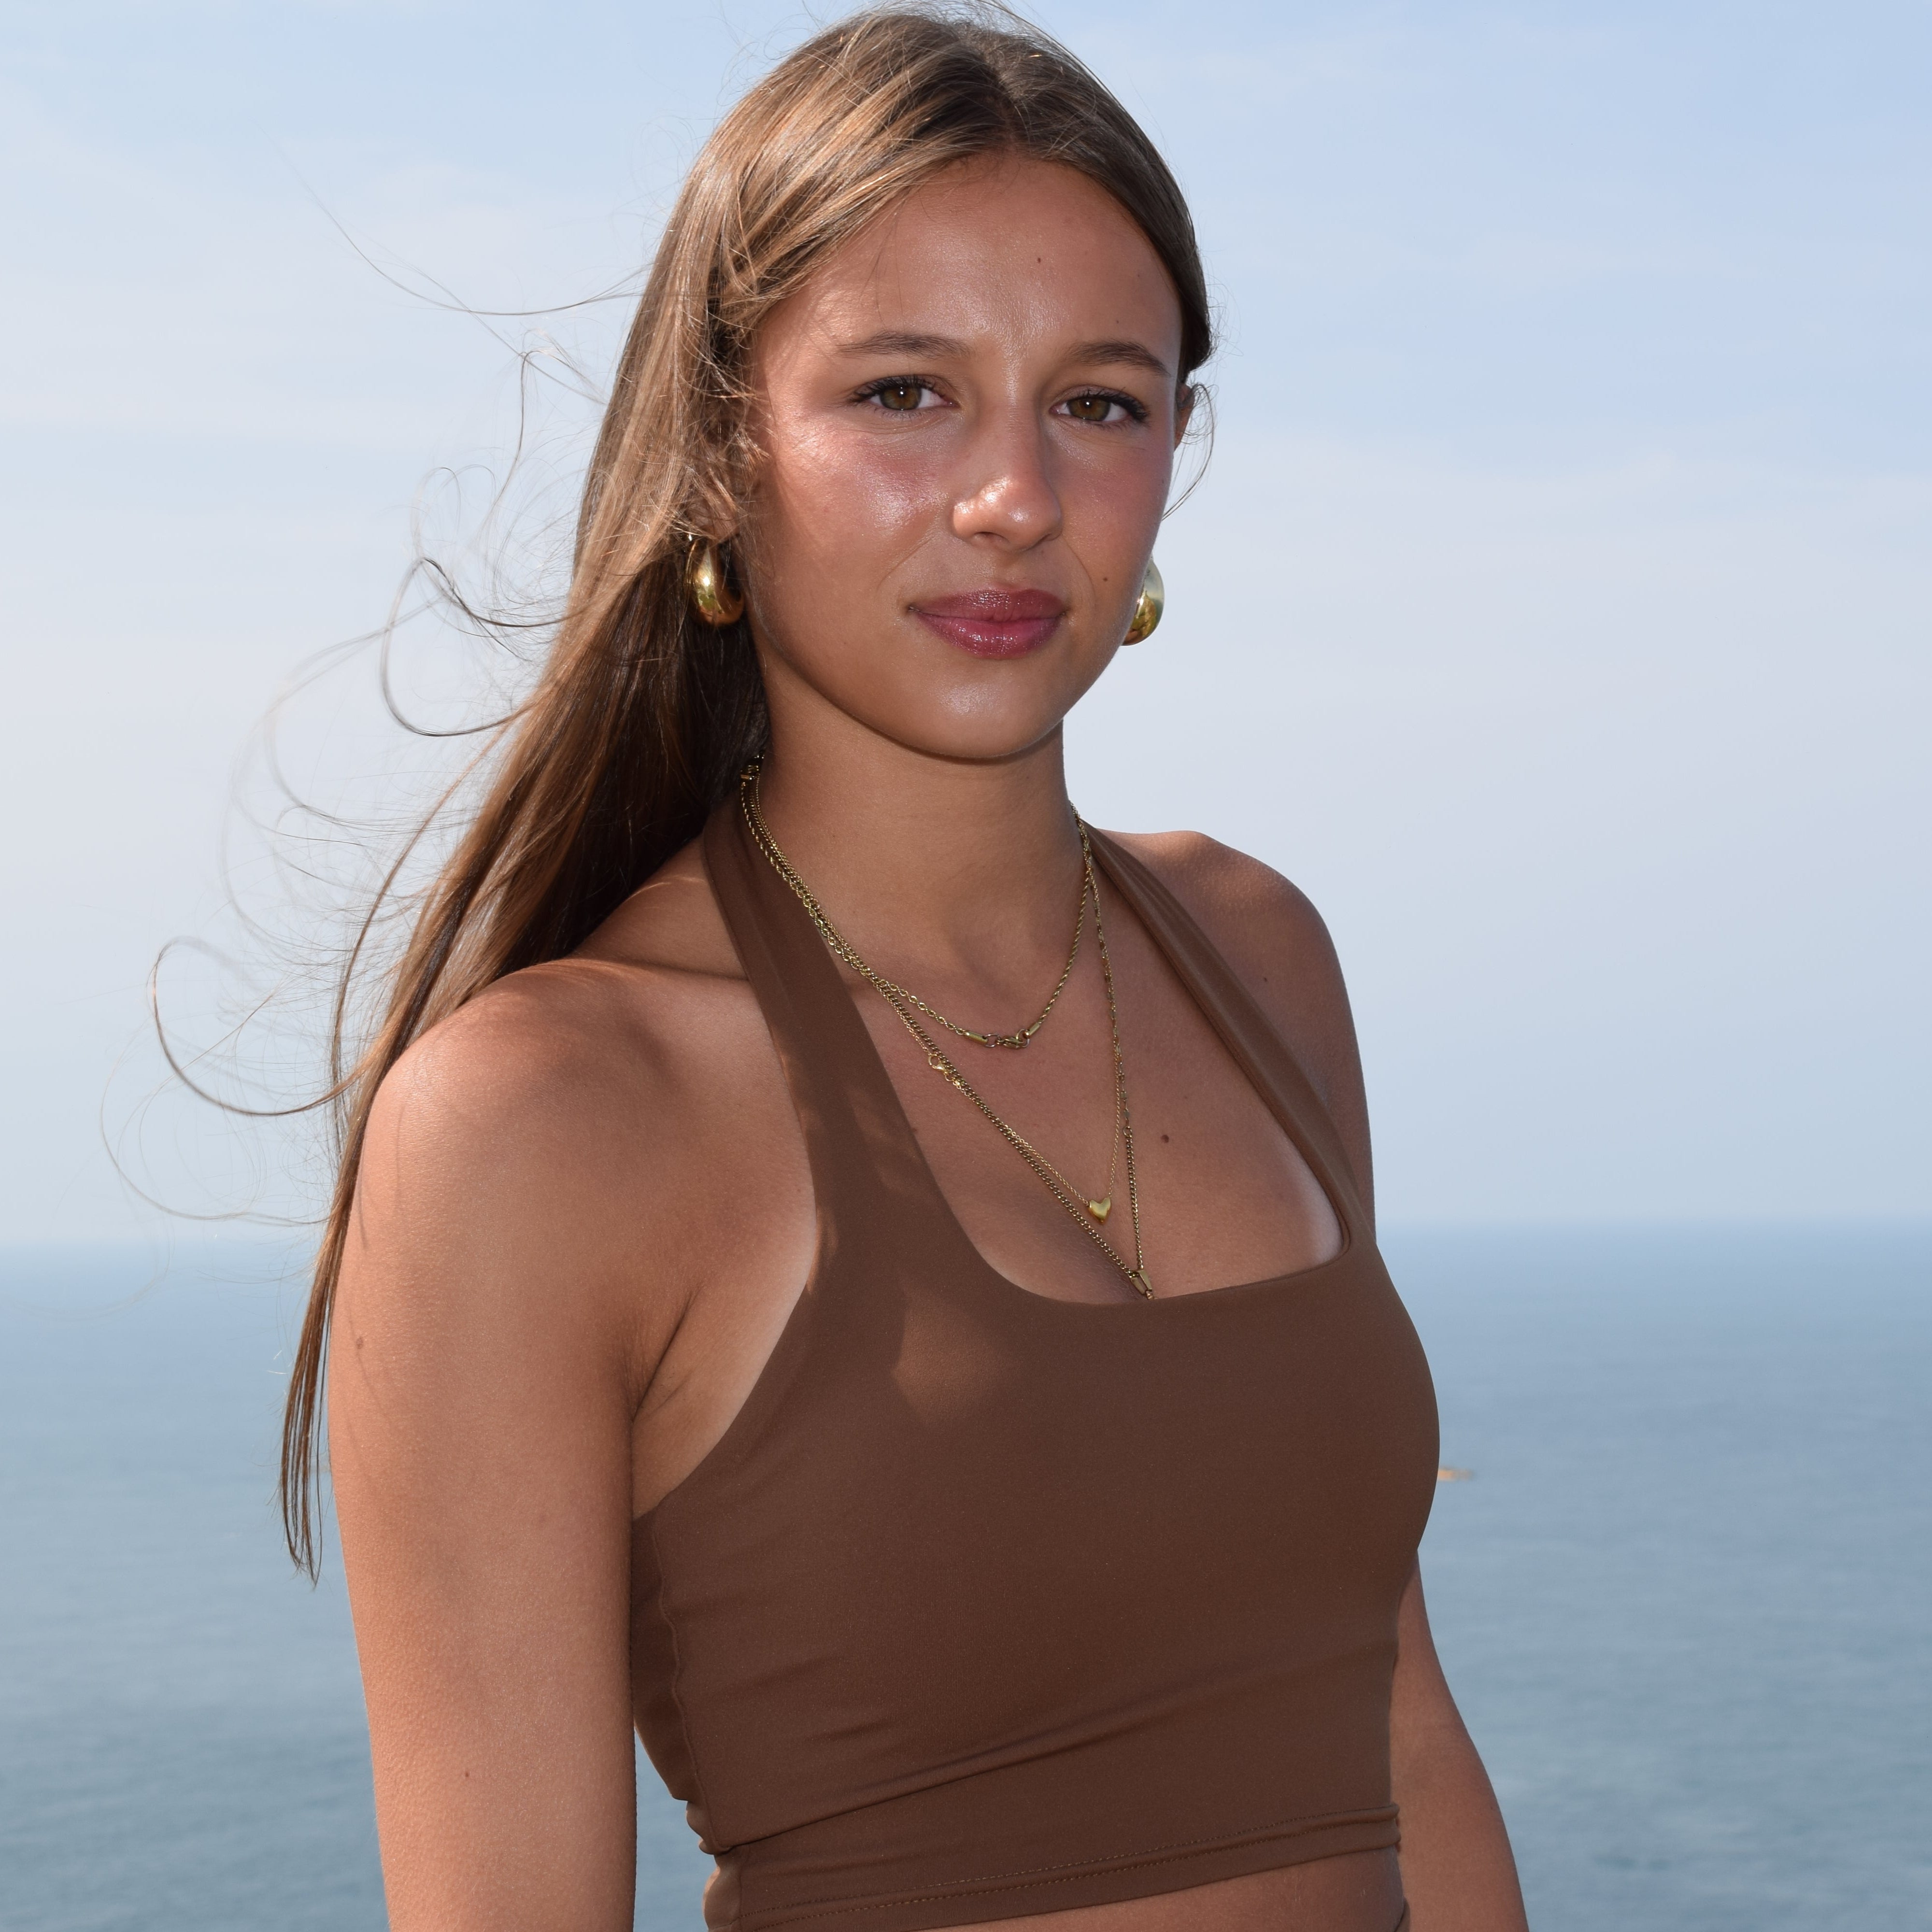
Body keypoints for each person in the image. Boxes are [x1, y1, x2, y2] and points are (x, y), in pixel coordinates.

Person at [293, 9, 1531, 1929]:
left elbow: (1400, 1734)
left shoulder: (1257, 957)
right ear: (720, 449)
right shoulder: (548, 1118)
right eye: (902, 394)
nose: (1012, 497)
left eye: (1097, 402)